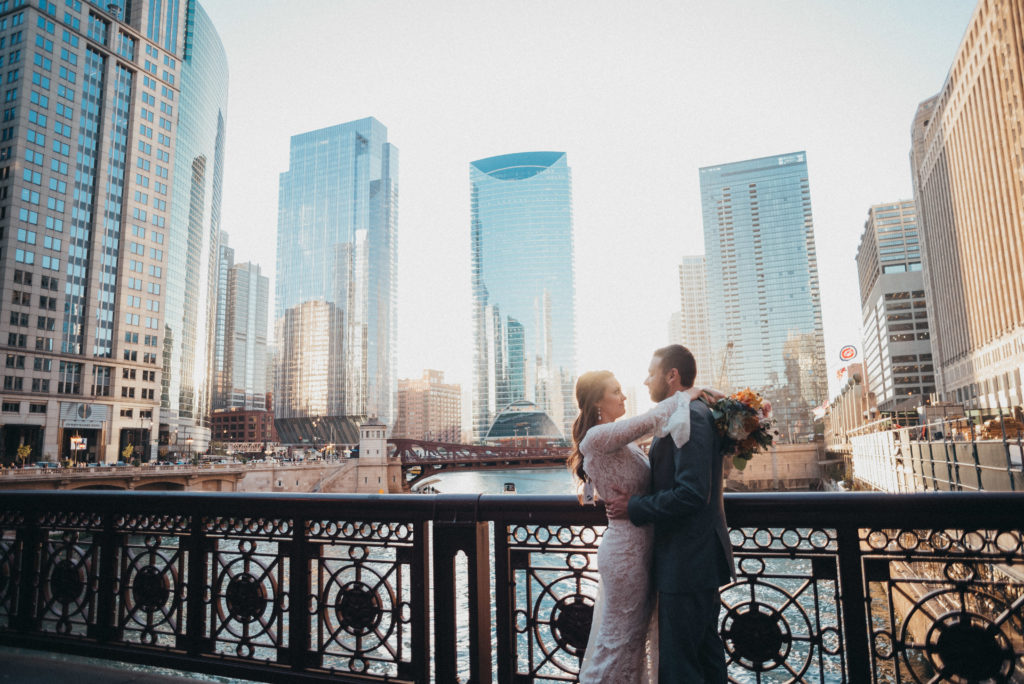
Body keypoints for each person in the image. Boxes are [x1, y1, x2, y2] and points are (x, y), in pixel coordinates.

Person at [605, 344, 736, 683]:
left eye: (652, 373)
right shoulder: (687, 412)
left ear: (672, 375)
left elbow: (691, 493)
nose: (646, 380)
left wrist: (634, 507)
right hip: (694, 561)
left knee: (680, 666)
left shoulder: (689, 416)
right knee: (705, 659)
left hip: (687, 562)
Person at [568, 369, 704, 683]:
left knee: (629, 644)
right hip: (626, 555)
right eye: (616, 391)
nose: (624, 395)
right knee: (619, 645)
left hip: (640, 550)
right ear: (597, 401)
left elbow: (657, 430)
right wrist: (692, 393)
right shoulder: (597, 437)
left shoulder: (617, 439)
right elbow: (652, 419)